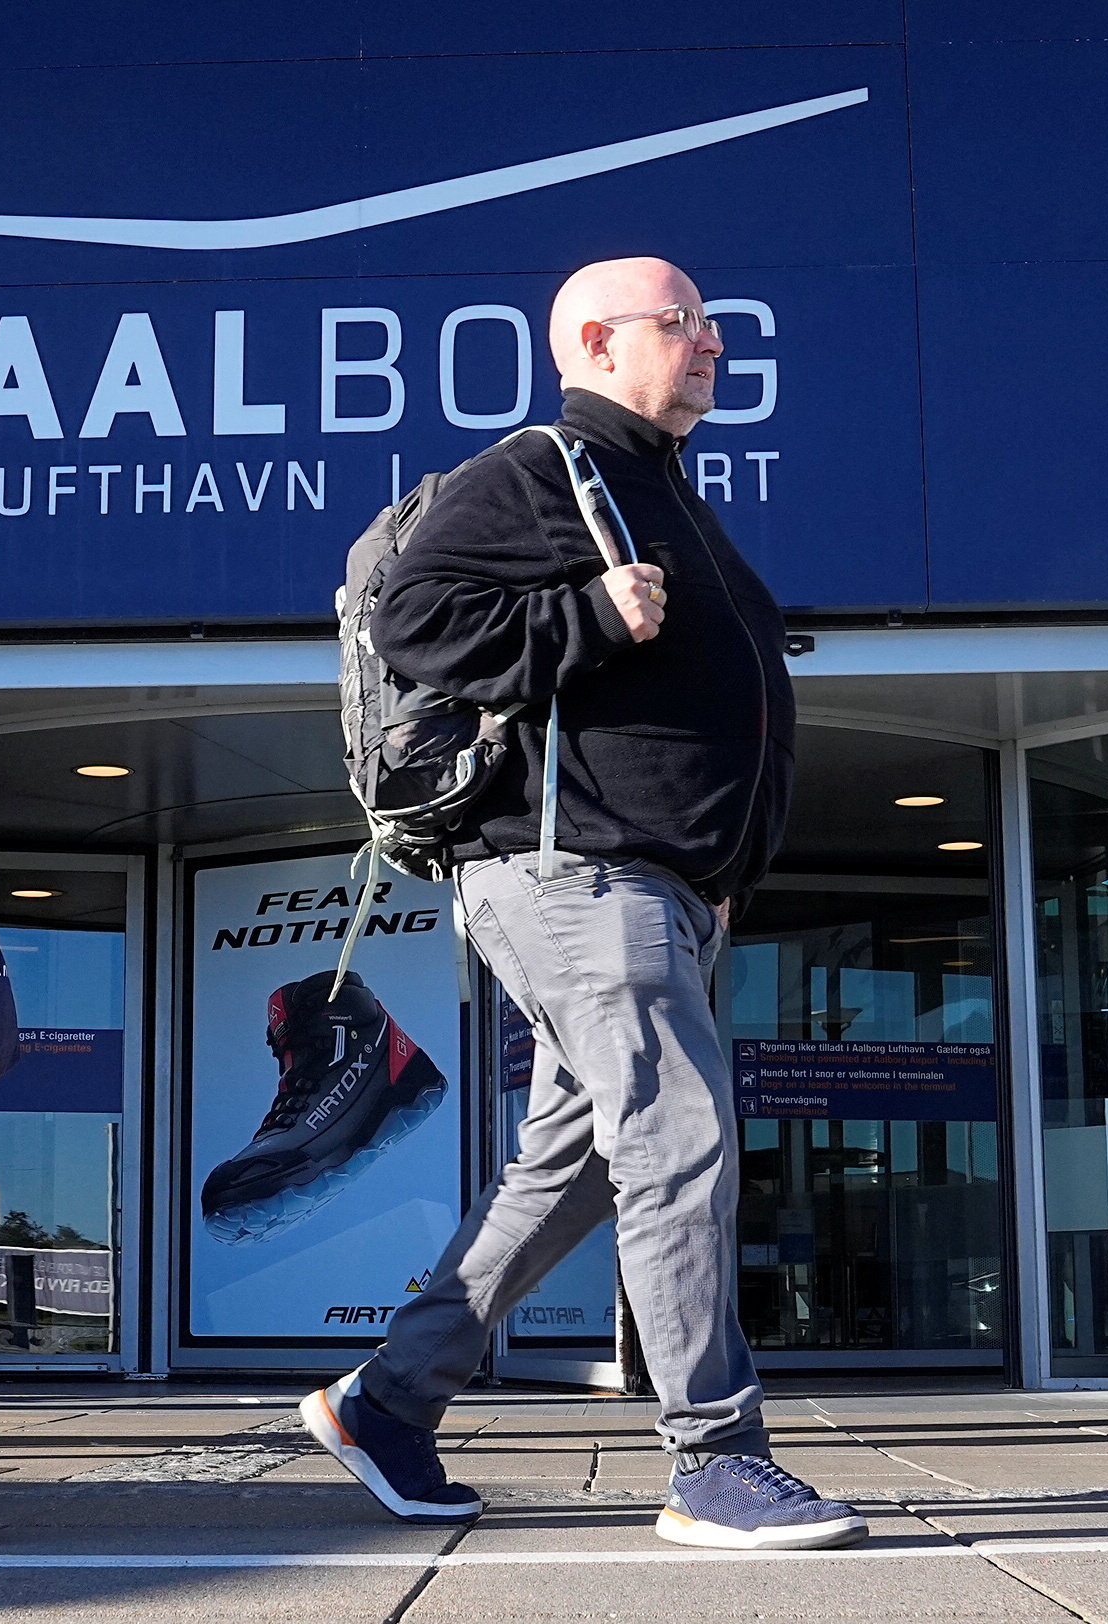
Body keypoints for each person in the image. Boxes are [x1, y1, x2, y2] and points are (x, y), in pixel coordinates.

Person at [298, 257, 864, 1552]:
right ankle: (714, 1456)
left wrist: (721, 881)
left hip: (653, 887)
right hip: (575, 873)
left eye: (712, 322)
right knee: (675, 1137)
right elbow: (412, 617)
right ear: (600, 342)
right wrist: (587, 620)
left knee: (567, 1175)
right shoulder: (547, 466)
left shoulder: (661, 487)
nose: (712, 342)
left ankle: (388, 1403)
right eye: (685, 324)